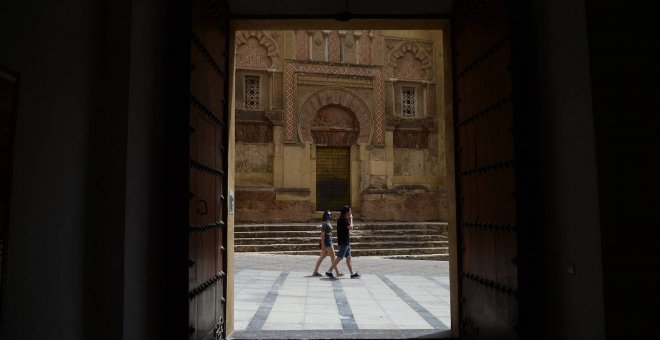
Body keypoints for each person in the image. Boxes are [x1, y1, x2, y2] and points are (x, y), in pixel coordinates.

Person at [325, 205, 360, 279]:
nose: (351, 212)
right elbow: (351, 227)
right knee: (339, 257)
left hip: (345, 241)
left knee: (348, 257)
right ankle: (329, 271)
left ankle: (352, 273)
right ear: (347, 212)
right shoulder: (343, 219)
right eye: (350, 211)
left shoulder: (342, 219)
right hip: (343, 242)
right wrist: (351, 219)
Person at [312, 210, 343, 277]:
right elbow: (322, 235)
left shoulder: (328, 223)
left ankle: (315, 271)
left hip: (329, 240)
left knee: (322, 257)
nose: (329, 216)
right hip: (327, 241)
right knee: (333, 257)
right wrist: (323, 244)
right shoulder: (324, 224)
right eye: (327, 214)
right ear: (325, 216)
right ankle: (337, 272)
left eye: (330, 214)